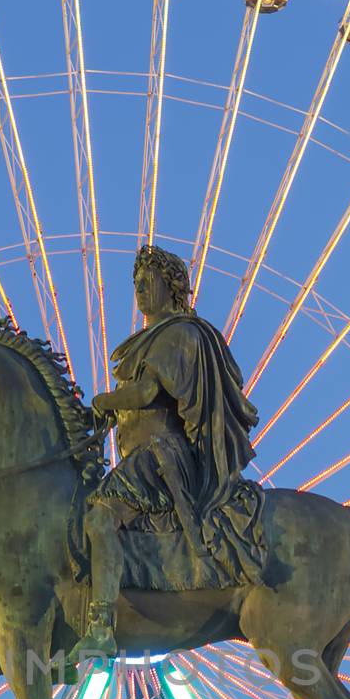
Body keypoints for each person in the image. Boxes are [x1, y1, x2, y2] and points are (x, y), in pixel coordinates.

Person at [69, 245, 265, 664]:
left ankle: (101, 626)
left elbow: (145, 393)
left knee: (100, 516)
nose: (139, 289)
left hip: (163, 457)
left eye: (148, 281)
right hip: (141, 457)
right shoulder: (154, 339)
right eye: (135, 283)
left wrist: (104, 400)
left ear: (171, 287)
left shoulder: (179, 334)